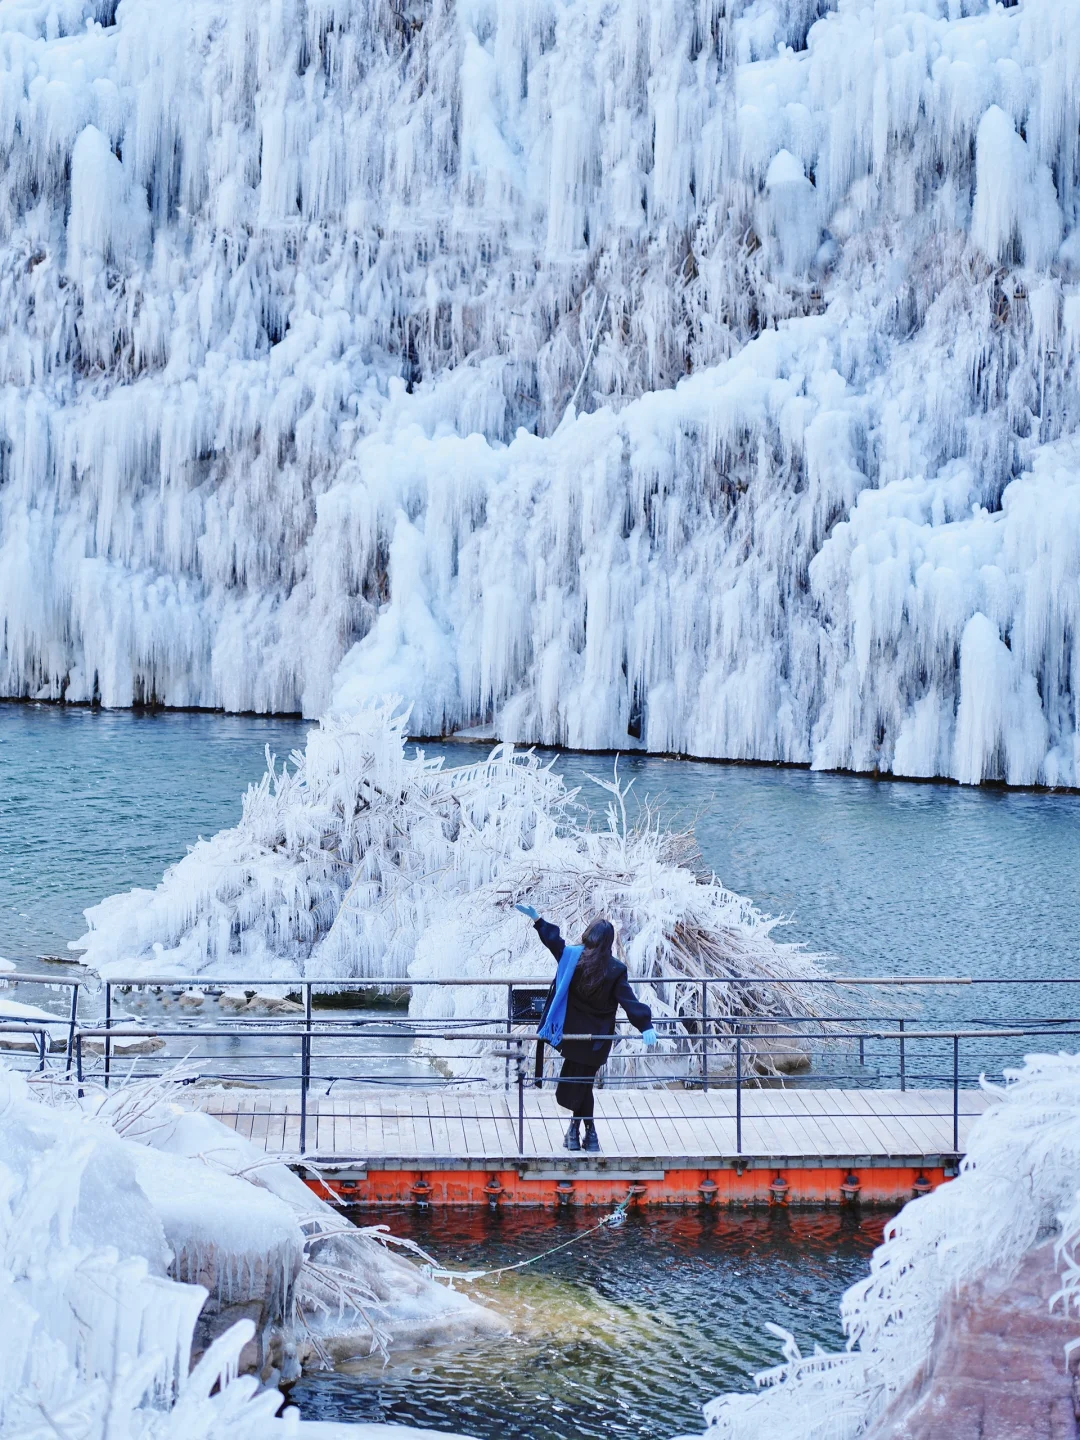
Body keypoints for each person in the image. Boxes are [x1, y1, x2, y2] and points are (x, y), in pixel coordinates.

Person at [516, 904, 658, 1152]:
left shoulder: (572, 958)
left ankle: (576, 1132)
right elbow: (628, 1000)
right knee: (584, 1083)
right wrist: (645, 1024)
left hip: (572, 1036)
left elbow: (554, 942)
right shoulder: (616, 969)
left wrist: (538, 919)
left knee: (580, 1083)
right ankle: (587, 1133)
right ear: (609, 942)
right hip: (597, 1040)